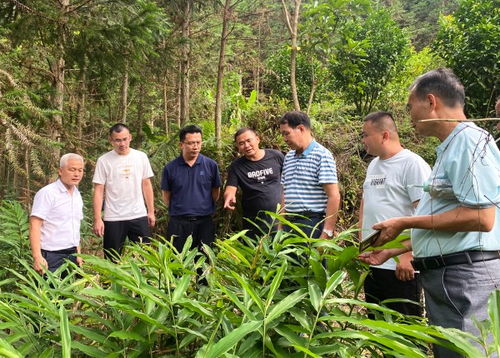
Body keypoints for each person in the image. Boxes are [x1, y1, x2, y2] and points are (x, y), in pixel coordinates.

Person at [359, 68, 500, 358]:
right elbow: (447, 221)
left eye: (411, 106)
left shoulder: (468, 142)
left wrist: (405, 222)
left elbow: (482, 218)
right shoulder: (450, 147)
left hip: (464, 277)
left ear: (431, 101)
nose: (408, 115)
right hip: (449, 275)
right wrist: (397, 248)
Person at [360, 111, 431, 317]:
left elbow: (424, 214)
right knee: (379, 324)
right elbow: (366, 204)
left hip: (400, 265)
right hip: (374, 259)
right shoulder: (373, 164)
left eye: (365, 135)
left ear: (384, 135)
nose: (363, 140)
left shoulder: (412, 164)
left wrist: (406, 255)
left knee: (405, 328)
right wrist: (361, 242)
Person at [93, 123, 155, 259]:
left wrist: (150, 211)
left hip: (138, 214)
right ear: (111, 140)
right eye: (118, 140)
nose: (122, 143)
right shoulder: (104, 160)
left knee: (146, 257)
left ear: (130, 137)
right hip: (113, 217)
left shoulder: (141, 157)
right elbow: (98, 190)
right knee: (112, 258)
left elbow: (146, 184)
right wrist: (98, 218)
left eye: (125, 139)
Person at [279, 111, 340, 239]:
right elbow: (285, 192)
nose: (284, 139)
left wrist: (327, 232)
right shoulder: (289, 157)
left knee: (310, 259)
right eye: (282, 134)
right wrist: (280, 225)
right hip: (289, 224)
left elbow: (333, 195)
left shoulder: (322, 155)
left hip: (311, 225)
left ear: (301, 128)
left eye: (287, 133)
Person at [161, 125, 221, 251]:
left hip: (204, 222)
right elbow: (166, 196)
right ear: (181, 145)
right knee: (177, 260)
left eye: (198, 142)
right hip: (178, 223)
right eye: (191, 143)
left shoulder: (211, 165)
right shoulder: (170, 168)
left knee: (204, 260)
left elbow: (215, 192)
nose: (195, 146)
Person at [223, 128, 284, 238]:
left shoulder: (276, 156)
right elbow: (231, 188)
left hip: (281, 218)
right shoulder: (237, 166)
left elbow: (289, 179)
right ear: (238, 147)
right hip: (254, 222)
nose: (246, 145)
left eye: (249, 141)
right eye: (241, 143)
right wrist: (229, 197)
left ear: (257, 139)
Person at [30, 153, 85, 274]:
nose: (77, 174)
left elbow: (75, 226)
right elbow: (35, 225)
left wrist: (78, 254)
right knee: (49, 292)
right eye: (72, 170)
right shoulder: (47, 193)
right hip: (50, 256)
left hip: (72, 255)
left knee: (70, 292)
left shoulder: (77, 194)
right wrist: (37, 257)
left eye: (80, 170)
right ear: (60, 171)